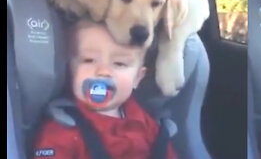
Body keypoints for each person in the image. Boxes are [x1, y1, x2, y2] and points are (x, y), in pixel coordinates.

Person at [33, 19, 177, 159]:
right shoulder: (62, 128)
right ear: (69, 70)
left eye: (119, 63)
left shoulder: (147, 124)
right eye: (88, 60)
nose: (103, 71)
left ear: (137, 78)